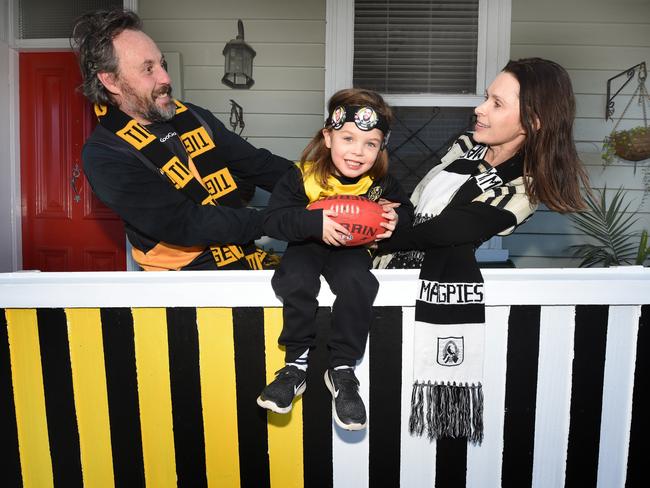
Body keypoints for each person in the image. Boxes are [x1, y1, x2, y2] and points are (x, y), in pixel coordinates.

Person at [375, 57, 590, 444]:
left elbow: (448, 230)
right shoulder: (465, 145)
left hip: (426, 294)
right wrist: (393, 214)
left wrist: (378, 229)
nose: (480, 108)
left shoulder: (524, 188)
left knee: (396, 408)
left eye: (497, 103)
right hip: (383, 274)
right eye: (486, 97)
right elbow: (418, 200)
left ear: (534, 121)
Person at [71, 9, 293, 270]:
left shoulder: (192, 116)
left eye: (162, 64)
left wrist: (323, 185)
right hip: (181, 281)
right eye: (148, 69)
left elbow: (258, 165)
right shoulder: (104, 155)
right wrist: (284, 221)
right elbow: (184, 222)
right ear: (110, 81)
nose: (166, 78)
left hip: (242, 253)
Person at [256, 88, 414, 430]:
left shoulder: (380, 183)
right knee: (294, 278)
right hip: (307, 245)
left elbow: (408, 213)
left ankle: (342, 369)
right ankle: (295, 365)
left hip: (351, 250)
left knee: (360, 284)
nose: (358, 151)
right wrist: (314, 222)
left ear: (381, 148)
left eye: (370, 143)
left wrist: (396, 221)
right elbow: (272, 219)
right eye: (348, 138)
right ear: (328, 137)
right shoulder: (303, 175)